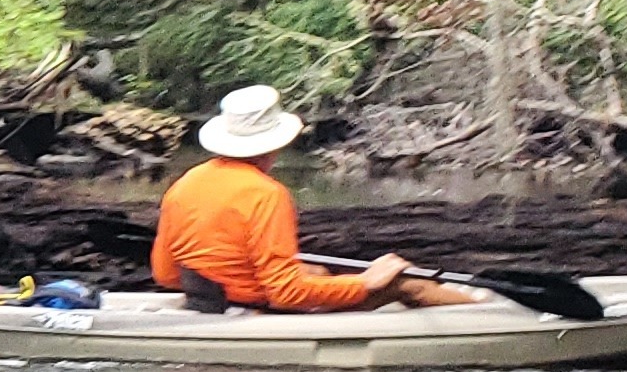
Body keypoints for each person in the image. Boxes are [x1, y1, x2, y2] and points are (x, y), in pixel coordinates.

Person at [150, 86, 481, 311]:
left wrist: (230, 276)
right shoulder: (266, 194)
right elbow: (285, 293)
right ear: (275, 144)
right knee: (406, 284)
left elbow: (165, 274)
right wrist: (366, 282)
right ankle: (489, 318)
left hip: (212, 300)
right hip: (251, 307)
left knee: (317, 270)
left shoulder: (184, 183)